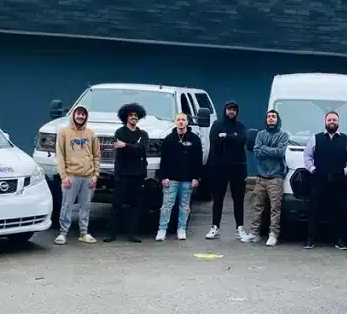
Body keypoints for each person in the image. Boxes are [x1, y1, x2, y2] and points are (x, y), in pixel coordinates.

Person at [303, 111, 347, 250]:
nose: (332, 122)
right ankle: (310, 239)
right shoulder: (315, 138)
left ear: (338, 122)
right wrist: (313, 170)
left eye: (334, 119)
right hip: (319, 180)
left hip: (339, 181)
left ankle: (339, 240)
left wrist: (345, 171)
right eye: (329, 120)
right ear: (325, 122)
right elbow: (307, 156)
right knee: (314, 211)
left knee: (339, 212)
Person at [53, 104, 101, 245]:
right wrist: (64, 176)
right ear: (73, 115)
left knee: (85, 206)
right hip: (71, 176)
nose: (80, 116)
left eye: (83, 114)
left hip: (88, 176)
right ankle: (63, 233)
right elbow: (60, 155)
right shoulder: (63, 132)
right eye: (78, 113)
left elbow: (97, 155)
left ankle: (84, 233)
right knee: (67, 205)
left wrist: (95, 175)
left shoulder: (91, 133)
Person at [242, 109, 289, 246]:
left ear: (277, 119)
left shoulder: (283, 135)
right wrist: (268, 150)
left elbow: (280, 152)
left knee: (275, 208)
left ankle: (273, 234)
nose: (271, 119)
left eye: (273, 117)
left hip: (276, 178)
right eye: (268, 117)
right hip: (261, 177)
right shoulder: (260, 134)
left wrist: (264, 149)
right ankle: (254, 233)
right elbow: (256, 152)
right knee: (257, 206)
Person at [104, 103, 148, 243]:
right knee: (116, 204)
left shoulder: (143, 134)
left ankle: (132, 234)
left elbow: (141, 149)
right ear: (126, 117)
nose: (133, 117)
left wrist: (127, 146)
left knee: (135, 206)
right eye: (131, 115)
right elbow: (124, 150)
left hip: (138, 174)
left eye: (136, 115)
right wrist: (134, 147)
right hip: (122, 174)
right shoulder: (119, 132)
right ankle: (111, 234)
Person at [156, 112, 203, 242]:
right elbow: (164, 160)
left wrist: (196, 177)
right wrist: (163, 177)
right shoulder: (169, 139)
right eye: (179, 120)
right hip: (171, 179)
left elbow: (198, 160)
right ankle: (162, 229)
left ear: (187, 122)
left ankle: (181, 229)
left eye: (183, 120)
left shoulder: (194, 139)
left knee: (185, 206)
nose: (181, 122)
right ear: (175, 122)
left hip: (188, 180)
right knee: (166, 205)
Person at [206, 101, 248, 240]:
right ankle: (215, 227)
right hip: (219, 168)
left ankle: (240, 228)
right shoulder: (217, 125)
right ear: (225, 110)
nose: (232, 112)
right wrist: (232, 138)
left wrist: (226, 137)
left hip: (238, 168)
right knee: (218, 198)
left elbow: (242, 140)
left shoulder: (240, 125)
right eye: (229, 109)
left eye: (234, 110)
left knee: (238, 198)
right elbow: (214, 141)